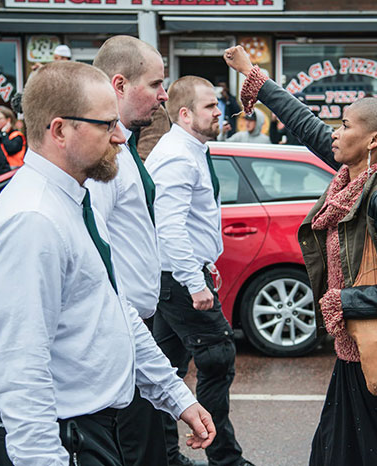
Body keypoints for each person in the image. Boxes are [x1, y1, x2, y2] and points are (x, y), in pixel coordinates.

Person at [0, 60, 216, 465]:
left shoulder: (76, 201)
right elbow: (23, 369)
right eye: (106, 125)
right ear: (60, 130)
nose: (120, 136)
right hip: (61, 439)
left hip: (93, 429)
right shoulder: (32, 222)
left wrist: (176, 397)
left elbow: (113, 310)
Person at [224, 45, 377, 466]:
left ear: (373, 140)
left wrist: (343, 301)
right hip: (351, 351)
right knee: (334, 453)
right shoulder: (350, 179)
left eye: (344, 125)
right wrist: (252, 75)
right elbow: (303, 123)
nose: (334, 132)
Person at [146, 76, 253, 466]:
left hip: (179, 276)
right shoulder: (177, 154)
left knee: (163, 371)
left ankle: (163, 456)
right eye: (210, 106)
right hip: (178, 280)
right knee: (217, 357)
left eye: (217, 104)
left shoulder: (190, 149)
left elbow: (188, 223)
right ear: (186, 113)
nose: (219, 110)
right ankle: (225, 459)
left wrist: (205, 265)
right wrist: (194, 280)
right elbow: (168, 226)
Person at [86, 35, 182, 466]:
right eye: (156, 84)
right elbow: (98, 255)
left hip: (136, 326)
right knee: (138, 453)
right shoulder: (103, 156)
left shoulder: (124, 145)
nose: (164, 95)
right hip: (121, 330)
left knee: (150, 448)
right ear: (119, 85)